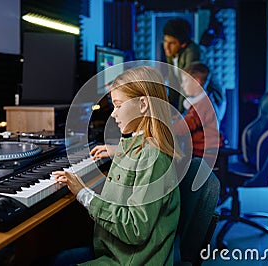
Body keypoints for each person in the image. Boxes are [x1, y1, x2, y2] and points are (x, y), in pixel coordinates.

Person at [50, 66, 182, 265]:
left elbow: (135, 230)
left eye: (118, 105)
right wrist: (118, 151)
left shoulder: (153, 158)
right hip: (115, 251)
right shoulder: (143, 146)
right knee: (58, 258)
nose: (113, 114)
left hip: (129, 261)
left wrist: (83, 193)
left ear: (143, 104)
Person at [172, 62, 223, 167]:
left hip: (205, 151)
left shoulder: (202, 106)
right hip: (203, 148)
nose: (182, 85)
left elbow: (184, 127)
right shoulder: (202, 102)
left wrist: (162, 128)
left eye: (185, 81)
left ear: (197, 82)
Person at [162, 18, 201, 112]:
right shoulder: (172, 53)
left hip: (206, 101)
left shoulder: (192, 52)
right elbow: (173, 82)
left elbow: (188, 85)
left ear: (183, 44)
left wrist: (180, 113)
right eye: (165, 41)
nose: (166, 47)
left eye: (171, 43)